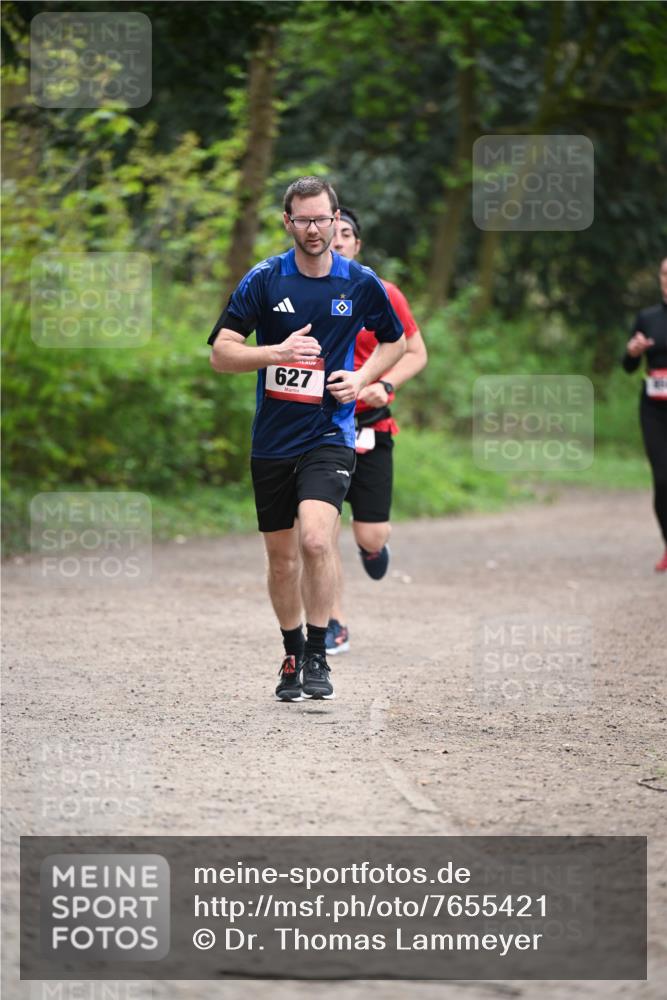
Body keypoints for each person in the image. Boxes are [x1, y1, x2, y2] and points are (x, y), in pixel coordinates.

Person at [207, 177, 406, 700]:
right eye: (303, 220)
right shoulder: (265, 279)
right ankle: (292, 651)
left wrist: (361, 379)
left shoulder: (359, 282)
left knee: (316, 540)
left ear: (336, 220)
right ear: (287, 222)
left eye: (322, 219)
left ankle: (318, 653)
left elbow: (396, 342)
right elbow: (221, 353)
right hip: (272, 440)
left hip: (329, 433)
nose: (314, 229)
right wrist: (274, 353)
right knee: (282, 560)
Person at [325, 208, 427, 656]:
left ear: (357, 244)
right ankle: (333, 621)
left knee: (370, 534)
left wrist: (384, 385)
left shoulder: (384, 293)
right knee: (319, 534)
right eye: (332, 232)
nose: (337, 240)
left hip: (371, 427)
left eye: (346, 234)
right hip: (320, 428)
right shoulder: (302, 292)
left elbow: (416, 352)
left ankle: (371, 547)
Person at [621, 257, 667, 572]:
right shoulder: (647, 318)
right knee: (663, 479)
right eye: (665, 274)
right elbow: (628, 365)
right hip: (654, 408)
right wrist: (632, 351)